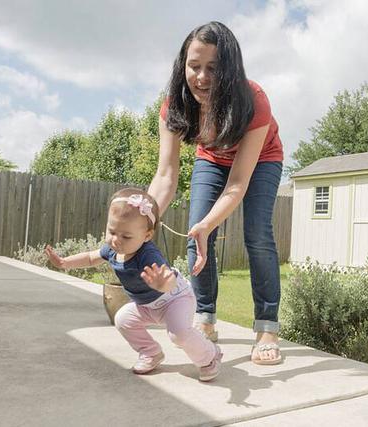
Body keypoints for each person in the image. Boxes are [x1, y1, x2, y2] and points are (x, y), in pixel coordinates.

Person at [148, 21, 283, 365]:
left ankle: (267, 326)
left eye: (213, 68)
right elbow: (165, 174)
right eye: (195, 67)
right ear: (183, 66)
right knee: (196, 234)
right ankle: (205, 318)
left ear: (230, 70)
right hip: (212, 158)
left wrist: (212, 223)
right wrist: (145, 214)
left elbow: (238, 183)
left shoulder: (254, 101)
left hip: (262, 159)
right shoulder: (175, 105)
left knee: (257, 234)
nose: (202, 77)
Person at [45, 187, 223, 381]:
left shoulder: (147, 254)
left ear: (146, 235)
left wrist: (162, 283)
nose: (116, 240)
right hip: (147, 305)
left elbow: (169, 280)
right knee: (123, 319)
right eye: (112, 231)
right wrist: (64, 263)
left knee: (178, 334)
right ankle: (151, 352)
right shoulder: (112, 250)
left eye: (126, 236)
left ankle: (210, 356)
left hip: (175, 299)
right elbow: (90, 257)